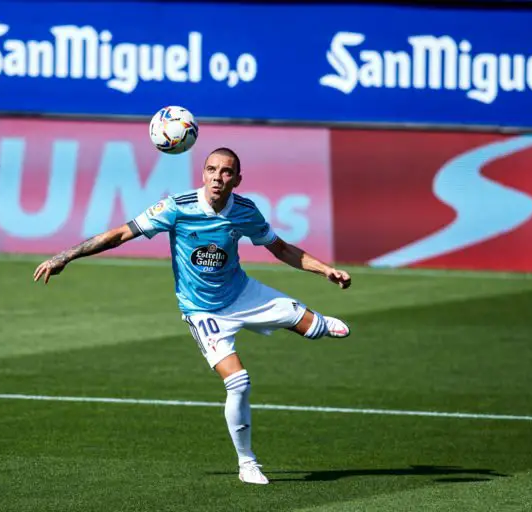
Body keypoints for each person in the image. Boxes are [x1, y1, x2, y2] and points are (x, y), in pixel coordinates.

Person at [33, 147, 352, 485]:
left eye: (226, 172)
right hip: (202, 311)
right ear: (203, 174)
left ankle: (316, 324)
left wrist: (326, 270)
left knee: (315, 327)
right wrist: (65, 256)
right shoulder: (177, 207)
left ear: (237, 180)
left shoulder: (245, 211)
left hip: (243, 294)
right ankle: (247, 463)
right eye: (212, 169)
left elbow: (282, 248)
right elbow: (120, 234)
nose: (218, 177)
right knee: (239, 382)